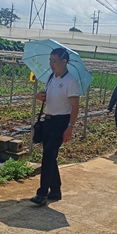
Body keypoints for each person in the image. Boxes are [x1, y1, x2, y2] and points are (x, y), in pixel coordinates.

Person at [30, 48, 80, 206]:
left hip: (62, 122)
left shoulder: (70, 81)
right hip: (49, 121)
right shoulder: (51, 77)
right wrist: (39, 96)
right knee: (50, 155)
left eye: (55, 61)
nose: (51, 64)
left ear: (64, 62)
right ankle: (56, 190)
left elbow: (75, 107)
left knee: (48, 156)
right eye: (50, 60)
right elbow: (47, 96)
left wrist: (70, 127)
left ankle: (42, 193)